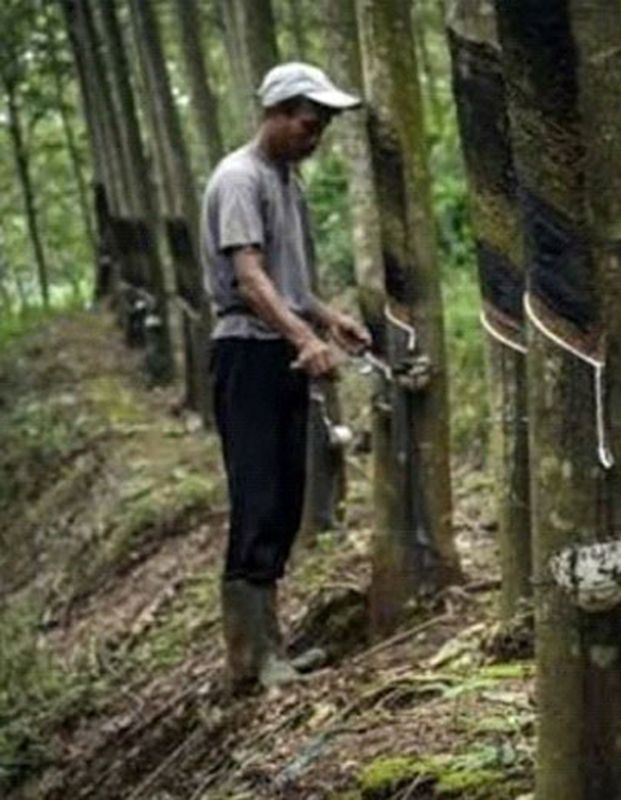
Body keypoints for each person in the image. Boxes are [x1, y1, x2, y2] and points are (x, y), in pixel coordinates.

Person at [201, 63, 370, 693]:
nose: (316, 133)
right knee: (258, 494)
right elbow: (249, 279)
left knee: (285, 498)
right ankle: (249, 659)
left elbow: (289, 286)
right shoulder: (240, 179)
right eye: (308, 121)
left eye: (323, 124)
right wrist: (303, 337)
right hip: (249, 354)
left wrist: (330, 321)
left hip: (283, 352)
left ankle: (271, 646)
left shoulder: (287, 182)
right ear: (276, 112)